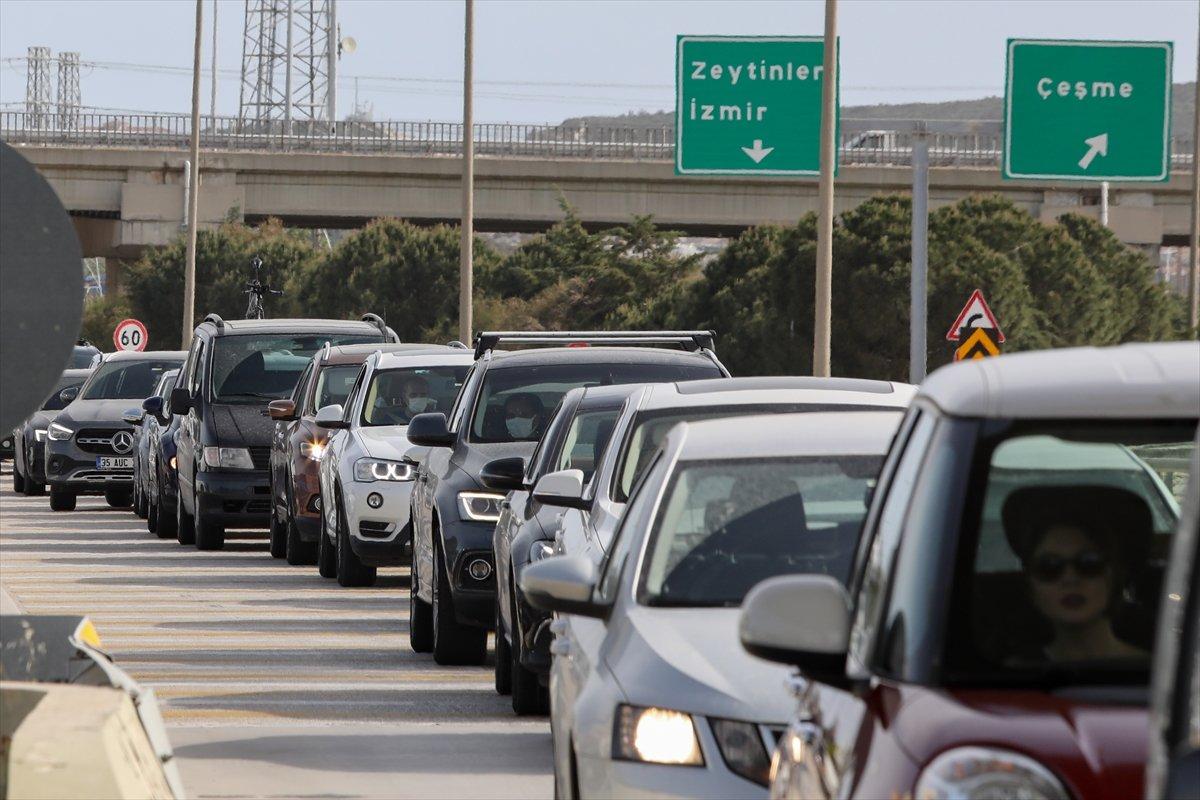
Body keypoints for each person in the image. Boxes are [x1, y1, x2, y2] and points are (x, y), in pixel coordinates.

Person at [1002, 485, 1150, 663]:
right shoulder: (1011, 675)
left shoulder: (1163, 672)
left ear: (1116, 575)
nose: (1070, 579)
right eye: (1049, 567)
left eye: (1089, 563)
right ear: (1030, 585)